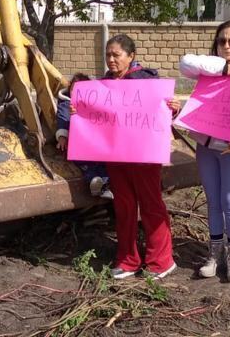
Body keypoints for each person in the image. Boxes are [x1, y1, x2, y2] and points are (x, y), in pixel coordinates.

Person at [179, 19, 230, 282]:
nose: (226, 45)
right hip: (207, 146)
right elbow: (185, 63)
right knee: (213, 201)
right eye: (221, 41)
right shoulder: (210, 66)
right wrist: (223, 68)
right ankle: (214, 255)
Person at [102, 34, 180, 280]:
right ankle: (128, 260)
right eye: (108, 55)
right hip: (116, 157)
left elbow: (164, 113)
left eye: (116, 55)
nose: (111, 59)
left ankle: (161, 261)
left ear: (131, 56)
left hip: (144, 157)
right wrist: (78, 110)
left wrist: (173, 108)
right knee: (123, 207)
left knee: (151, 204)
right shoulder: (103, 84)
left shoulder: (147, 81)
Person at [56, 73, 112, 199]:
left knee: (102, 164)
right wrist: (62, 137)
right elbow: (63, 120)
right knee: (87, 166)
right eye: (74, 90)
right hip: (78, 146)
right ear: (70, 90)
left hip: (93, 145)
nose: (77, 94)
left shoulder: (92, 107)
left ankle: (103, 185)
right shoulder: (66, 105)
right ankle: (95, 183)